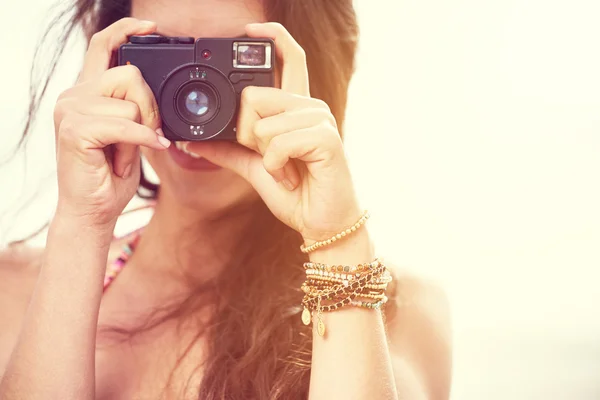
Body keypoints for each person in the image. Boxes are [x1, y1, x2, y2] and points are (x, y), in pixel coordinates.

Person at [0, 1, 451, 399]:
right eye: (164, 51)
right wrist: (81, 223)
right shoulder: (17, 289)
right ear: (113, 63)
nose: (195, 98)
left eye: (234, 61)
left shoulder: (396, 311)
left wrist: (336, 240)